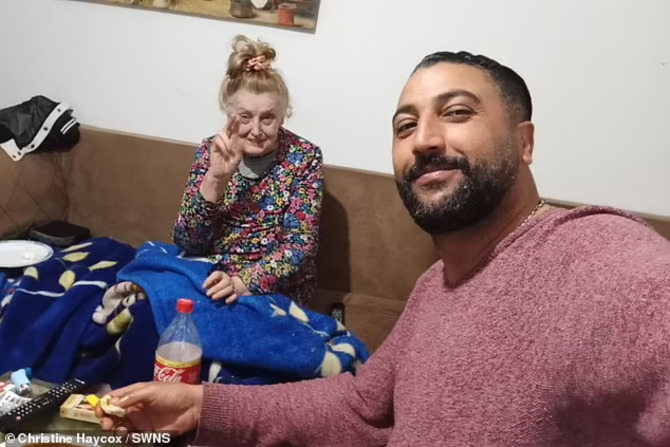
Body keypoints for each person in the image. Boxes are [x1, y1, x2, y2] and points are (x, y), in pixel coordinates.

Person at [98, 52, 670, 446]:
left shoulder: (599, 260)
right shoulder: (434, 289)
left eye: (457, 112)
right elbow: (362, 407)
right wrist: (201, 407)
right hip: (210, 279)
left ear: (524, 143)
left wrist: (248, 281)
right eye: (404, 126)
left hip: (263, 291)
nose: (424, 139)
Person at [171, 35, 323, 307]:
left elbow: (299, 246)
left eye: (268, 118)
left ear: (283, 116)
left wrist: (241, 284)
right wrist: (215, 179)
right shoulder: (210, 150)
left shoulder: (304, 157)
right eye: (245, 116)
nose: (256, 130)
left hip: (271, 289)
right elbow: (187, 242)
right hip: (210, 274)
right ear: (228, 113)